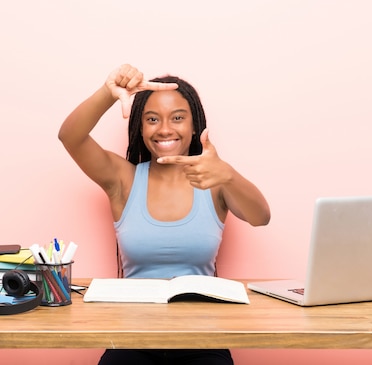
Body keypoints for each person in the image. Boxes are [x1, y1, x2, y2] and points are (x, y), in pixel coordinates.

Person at [59, 64, 271, 365]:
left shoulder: (214, 180)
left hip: (204, 342)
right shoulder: (124, 179)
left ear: (194, 125)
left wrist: (228, 175)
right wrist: (108, 93)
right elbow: (70, 136)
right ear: (140, 127)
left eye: (178, 118)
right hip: (131, 341)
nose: (165, 129)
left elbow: (261, 216)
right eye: (152, 119)